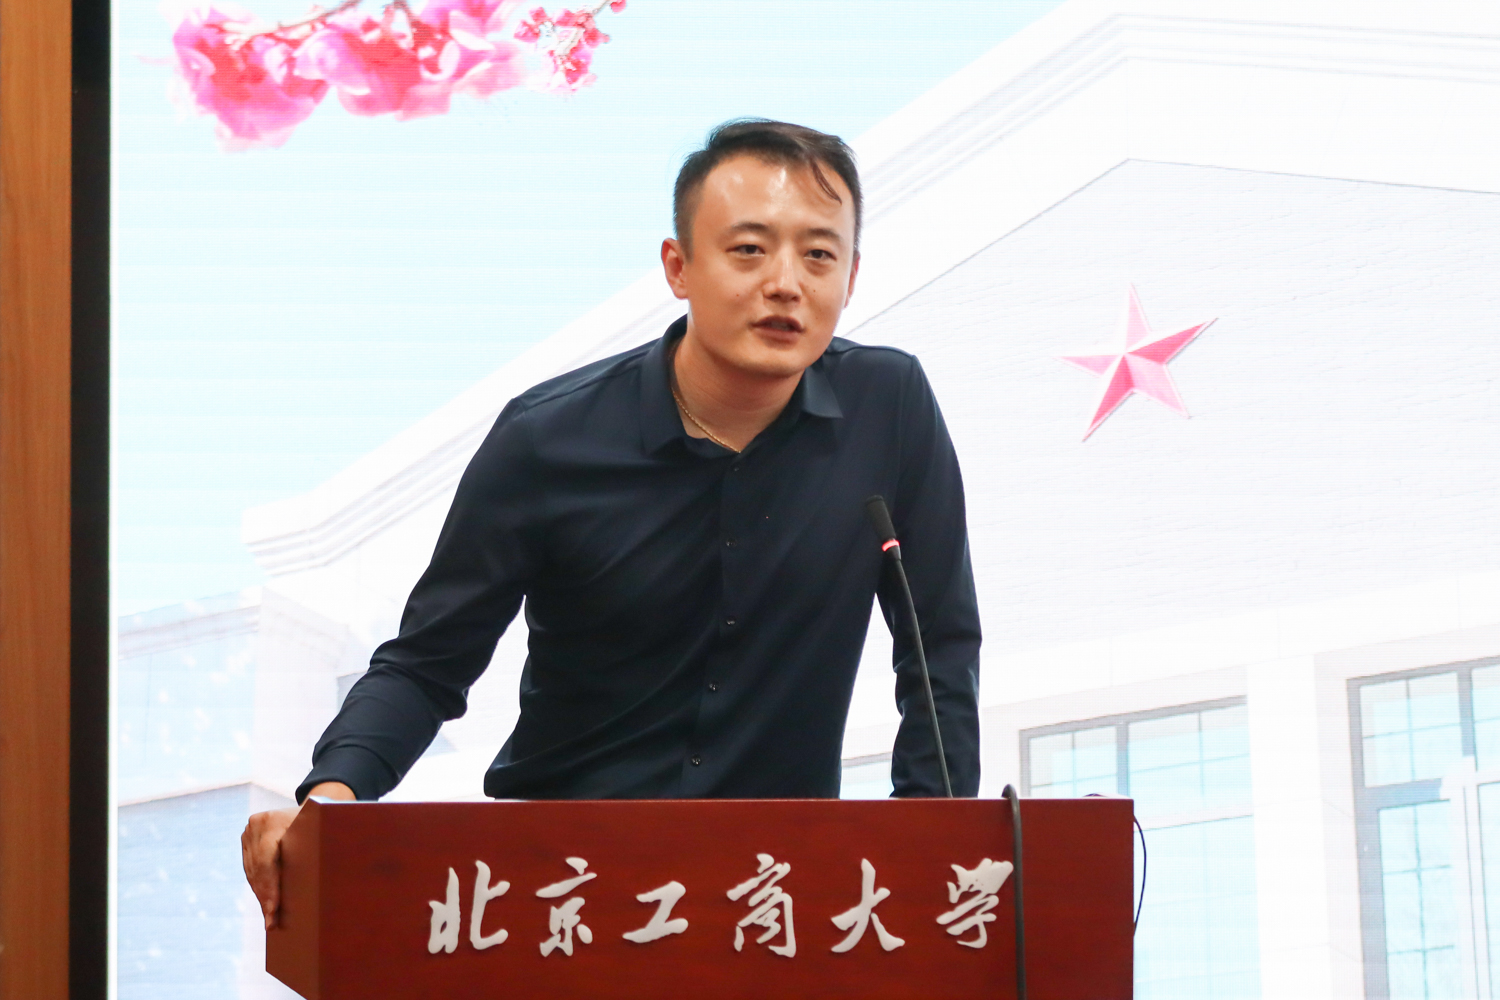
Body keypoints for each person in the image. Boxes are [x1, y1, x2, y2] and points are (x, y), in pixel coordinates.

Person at [242, 119, 981, 930]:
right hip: (562, 892)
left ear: (852, 275)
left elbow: (938, 646)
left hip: (771, 897)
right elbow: (427, 664)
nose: (785, 283)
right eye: (748, 250)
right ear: (678, 267)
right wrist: (334, 794)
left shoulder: (890, 408)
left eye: (818, 255)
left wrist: (930, 843)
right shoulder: (546, 440)